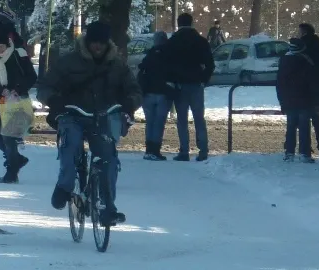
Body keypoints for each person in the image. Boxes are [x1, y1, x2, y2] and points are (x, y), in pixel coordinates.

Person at [37, 21, 142, 226]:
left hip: (102, 117)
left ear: (107, 44)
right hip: (73, 115)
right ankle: (65, 186)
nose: (97, 46)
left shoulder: (117, 65)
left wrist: (130, 103)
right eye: (94, 42)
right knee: (70, 146)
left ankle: (107, 207)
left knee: (109, 159)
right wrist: (54, 101)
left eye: (101, 43)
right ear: (87, 42)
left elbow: (134, 89)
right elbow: (44, 87)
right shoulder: (68, 62)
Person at [0, 25, 37, 183]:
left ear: (8, 44)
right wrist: (0, 90)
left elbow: (31, 76)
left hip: (15, 101)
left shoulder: (18, 54)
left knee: (8, 136)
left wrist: (16, 89)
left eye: (2, 46)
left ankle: (11, 172)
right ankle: (16, 159)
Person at [164, 13, 215, 161]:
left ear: (179, 24)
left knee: (182, 119)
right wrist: (203, 79)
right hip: (196, 84)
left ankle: (184, 151)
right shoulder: (200, 41)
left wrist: (172, 80)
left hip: (180, 85)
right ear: (191, 23)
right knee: (199, 118)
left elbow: (167, 63)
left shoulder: (173, 41)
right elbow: (210, 64)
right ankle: (203, 150)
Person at [0, 7, 30, 151]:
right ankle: (15, 139)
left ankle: (3, 141)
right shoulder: (13, 38)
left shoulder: (5, 38)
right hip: (7, 87)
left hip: (5, 87)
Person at [276, 38, 319, 163]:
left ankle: (289, 152)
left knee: (290, 127)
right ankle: (304, 153)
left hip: (289, 100)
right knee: (304, 127)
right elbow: (313, 82)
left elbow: (279, 83)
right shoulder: (306, 61)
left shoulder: (284, 61)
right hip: (305, 99)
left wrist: (282, 101)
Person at [138, 31, 174, 161]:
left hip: (148, 94)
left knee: (150, 122)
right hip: (164, 93)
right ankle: (155, 149)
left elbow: (142, 69)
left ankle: (148, 149)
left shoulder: (150, 54)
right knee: (159, 123)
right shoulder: (170, 54)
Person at [298, 23, 319, 160]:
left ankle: (305, 150)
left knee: (302, 120)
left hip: (301, 89)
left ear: (304, 32)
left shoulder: (300, 48)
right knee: (317, 120)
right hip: (316, 88)